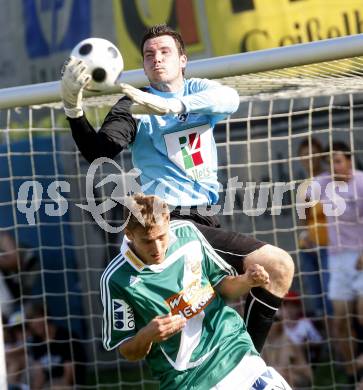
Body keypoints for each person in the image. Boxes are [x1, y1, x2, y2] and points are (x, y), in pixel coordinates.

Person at [61, 24, 294, 352]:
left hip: (205, 218)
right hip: (171, 221)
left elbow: (229, 99)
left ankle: (236, 364)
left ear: (183, 59)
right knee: (279, 264)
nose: (156, 59)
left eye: (164, 52)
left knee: (215, 309)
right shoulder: (135, 105)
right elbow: (100, 152)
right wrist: (74, 111)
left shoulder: (198, 90)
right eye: (148, 55)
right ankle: (250, 359)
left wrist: (175, 106)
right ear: (142, 66)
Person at [100, 193, 291, 389]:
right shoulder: (116, 280)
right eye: (148, 241)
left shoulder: (187, 234)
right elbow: (128, 350)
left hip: (235, 351)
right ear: (129, 235)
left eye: (161, 237)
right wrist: (147, 335)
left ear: (167, 220)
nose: (157, 248)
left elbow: (221, 286)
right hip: (190, 381)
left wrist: (246, 281)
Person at [313, 141, 363, 381]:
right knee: (340, 322)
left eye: (338, 160)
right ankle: (354, 373)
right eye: (330, 161)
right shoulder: (323, 183)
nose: (334, 166)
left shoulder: (361, 182)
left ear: (350, 161)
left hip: (361, 256)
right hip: (337, 259)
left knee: (362, 314)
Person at [297, 138, 332, 318]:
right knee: (317, 301)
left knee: (330, 299)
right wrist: (306, 234)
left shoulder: (330, 179)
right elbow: (303, 218)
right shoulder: (304, 185)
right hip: (309, 247)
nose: (309, 158)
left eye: (313, 153)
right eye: (305, 154)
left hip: (329, 247)